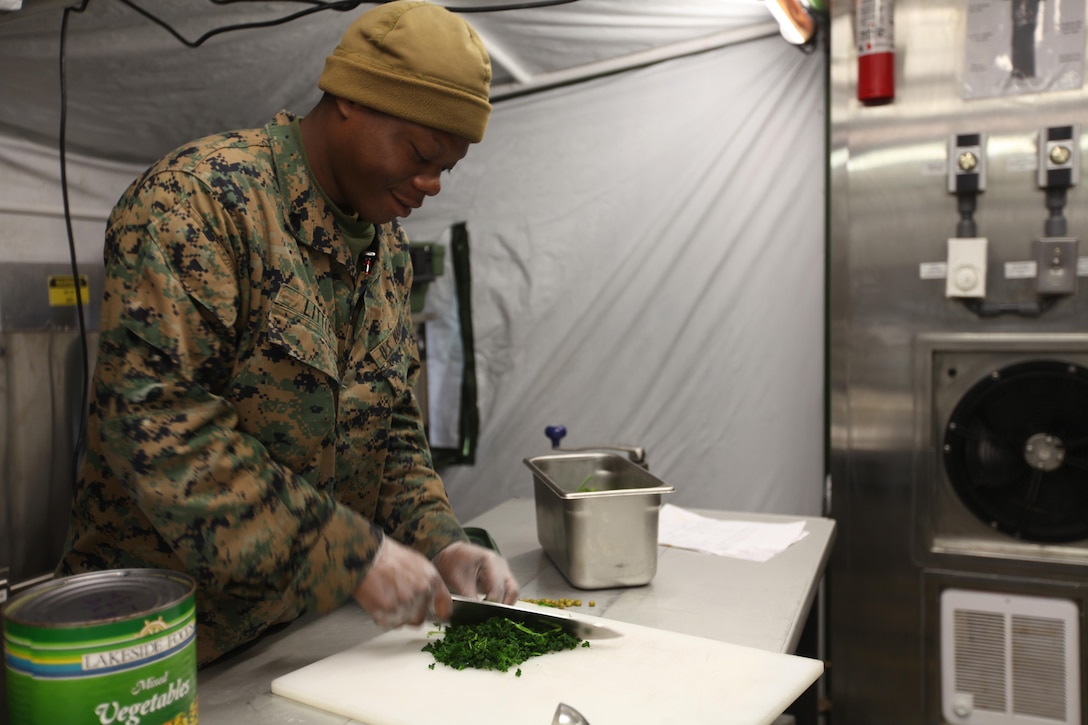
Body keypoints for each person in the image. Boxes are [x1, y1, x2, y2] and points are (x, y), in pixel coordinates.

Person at [56, 0, 518, 666]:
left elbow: (391, 429)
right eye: (421, 153)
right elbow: (162, 428)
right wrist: (344, 551)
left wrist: (440, 540)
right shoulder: (199, 205)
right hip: (153, 647)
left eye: (448, 166)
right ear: (352, 99)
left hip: (289, 641)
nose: (432, 184)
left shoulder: (384, 248)